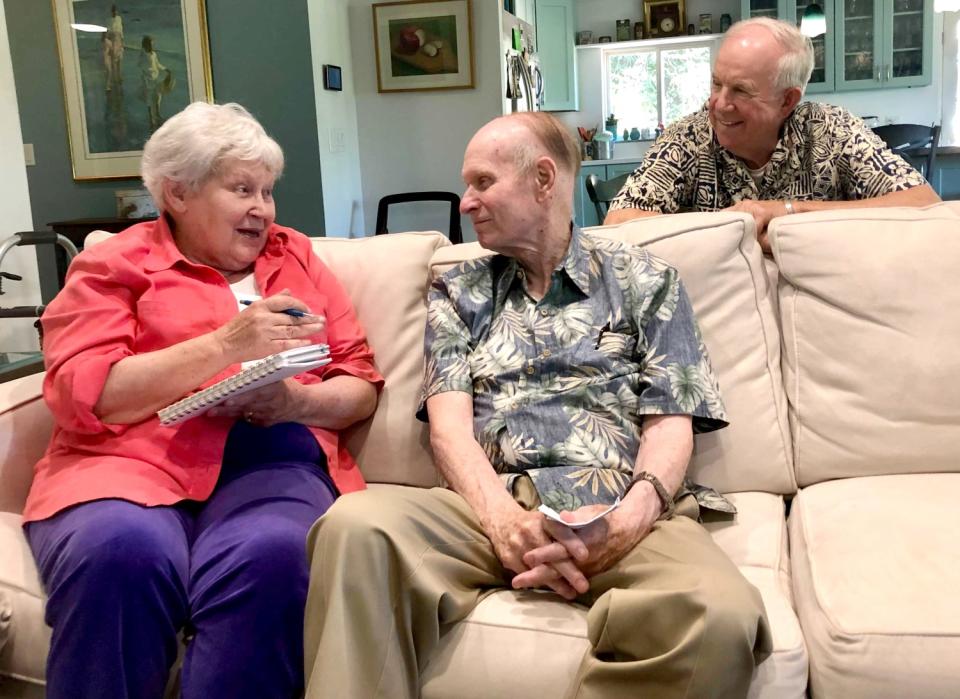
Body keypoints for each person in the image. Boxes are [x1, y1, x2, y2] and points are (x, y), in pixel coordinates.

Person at [302, 112, 770, 699]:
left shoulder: (646, 280)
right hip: (486, 503)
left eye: (482, 182)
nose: (466, 203)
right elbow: (448, 431)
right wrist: (502, 522)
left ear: (543, 180)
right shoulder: (458, 290)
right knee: (355, 528)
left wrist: (624, 526)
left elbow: (670, 426)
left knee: (721, 616)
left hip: (618, 501)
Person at [23, 102, 383, 699]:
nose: (262, 210)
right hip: (126, 463)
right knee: (119, 553)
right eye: (242, 189)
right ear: (178, 193)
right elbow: (84, 394)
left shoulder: (294, 259)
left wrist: (294, 404)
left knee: (273, 555)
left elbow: (360, 383)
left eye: (267, 191)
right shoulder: (113, 263)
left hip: (271, 461)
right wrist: (224, 345)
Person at [604, 17, 941, 251]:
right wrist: (725, 230)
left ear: (787, 100)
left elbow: (922, 203)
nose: (718, 104)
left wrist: (788, 213)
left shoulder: (831, 130)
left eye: (741, 91)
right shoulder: (688, 137)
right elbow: (619, 223)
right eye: (716, 83)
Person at [139, 35, 170, 131]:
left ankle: (157, 115)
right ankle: (151, 119)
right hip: (148, 80)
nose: (152, 47)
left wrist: (165, 69)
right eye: (150, 45)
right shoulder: (143, 55)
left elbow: (157, 64)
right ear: (145, 46)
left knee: (157, 97)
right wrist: (146, 75)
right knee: (149, 99)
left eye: (153, 45)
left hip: (155, 79)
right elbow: (141, 66)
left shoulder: (154, 54)